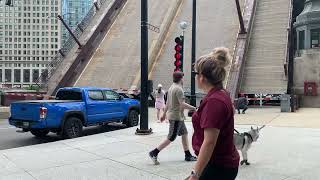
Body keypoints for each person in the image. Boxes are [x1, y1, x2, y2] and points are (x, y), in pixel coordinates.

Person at [188, 47, 239, 180]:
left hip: (217, 165)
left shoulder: (214, 101)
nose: (195, 77)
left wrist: (195, 174)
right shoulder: (221, 94)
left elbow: (209, 142)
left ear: (202, 77)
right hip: (220, 163)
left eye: (196, 73)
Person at [149, 71, 197, 165]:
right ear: (181, 78)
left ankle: (187, 155)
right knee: (171, 137)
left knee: (184, 133)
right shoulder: (179, 89)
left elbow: (167, 103)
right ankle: (154, 152)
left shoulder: (171, 87)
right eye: (183, 77)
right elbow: (182, 104)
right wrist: (194, 108)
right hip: (176, 117)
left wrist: (163, 115)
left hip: (176, 116)